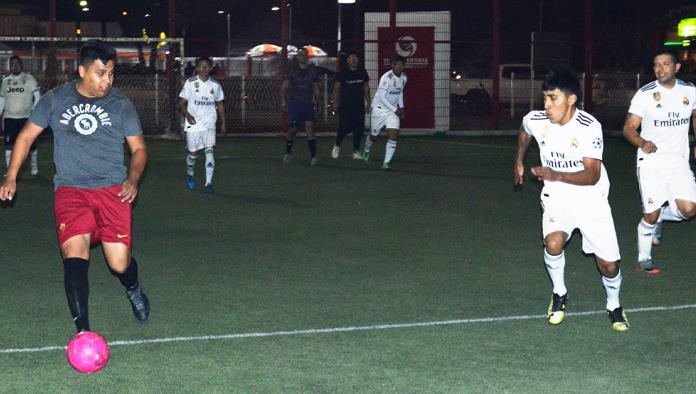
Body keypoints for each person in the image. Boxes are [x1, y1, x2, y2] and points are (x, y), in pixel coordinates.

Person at [0, 40, 150, 333]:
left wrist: (132, 179)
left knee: (118, 264)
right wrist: (11, 175)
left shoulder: (121, 105)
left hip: (112, 190)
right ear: (82, 71)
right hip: (71, 190)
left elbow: (140, 149)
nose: (107, 80)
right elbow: (26, 137)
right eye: (100, 73)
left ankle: (133, 287)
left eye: (110, 73)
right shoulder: (56, 100)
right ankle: (83, 331)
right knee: (74, 257)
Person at [513, 71, 628, 331]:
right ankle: (559, 293)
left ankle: (614, 305)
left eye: (553, 99)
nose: (546, 105)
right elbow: (524, 130)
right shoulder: (537, 119)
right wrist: (518, 160)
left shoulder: (589, 126)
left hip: (591, 199)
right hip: (557, 197)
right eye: (545, 98)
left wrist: (555, 173)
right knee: (553, 243)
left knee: (608, 266)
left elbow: (592, 175)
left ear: (572, 99)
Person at [622, 50, 696, 274]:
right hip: (651, 162)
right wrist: (642, 142)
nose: (660, 68)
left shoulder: (690, 91)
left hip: (679, 162)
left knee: (689, 210)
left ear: (676, 68)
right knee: (649, 215)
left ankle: (662, 217)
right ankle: (644, 259)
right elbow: (628, 128)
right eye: (656, 65)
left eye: (665, 64)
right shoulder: (645, 94)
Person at [178, 57, 226, 194]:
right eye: (200, 66)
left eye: (206, 66)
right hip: (193, 124)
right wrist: (187, 114)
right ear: (196, 68)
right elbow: (181, 102)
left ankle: (208, 183)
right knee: (193, 154)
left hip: (210, 123)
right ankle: (190, 174)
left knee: (209, 151)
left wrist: (223, 123)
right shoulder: (190, 83)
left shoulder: (215, 85)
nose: (203, 68)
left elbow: (220, 104)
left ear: (210, 68)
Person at [362, 55, 407, 170]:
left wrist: (401, 107)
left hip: (392, 112)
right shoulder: (386, 78)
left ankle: (386, 163)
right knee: (374, 136)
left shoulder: (404, 78)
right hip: (379, 110)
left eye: (402, 65)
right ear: (392, 65)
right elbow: (382, 96)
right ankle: (366, 150)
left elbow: (399, 92)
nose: (399, 67)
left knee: (393, 135)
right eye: (397, 65)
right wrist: (395, 109)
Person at [1, 56, 41, 174]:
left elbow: (38, 96)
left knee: (31, 146)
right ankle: (10, 171)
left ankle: (34, 166)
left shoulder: (29, 79)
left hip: (26, 119)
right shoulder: (5, 81)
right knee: (9, 148)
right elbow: (2, 100)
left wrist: (34, 112)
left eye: (17, 64)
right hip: (10, 119)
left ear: (21, 65)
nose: (15, 66)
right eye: (12, 64)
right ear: (9, 66)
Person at [281, 48, 321, 166]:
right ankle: (288, 152)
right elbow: (284, 87)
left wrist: (319, 101)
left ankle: (313, 156)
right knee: (292, 130)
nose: (302, 56)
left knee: (309, 128)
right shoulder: (292, 71)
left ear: (307, 57)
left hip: (308, 104)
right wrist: (283, 102)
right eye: (300, 55)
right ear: (297, 57)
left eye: (304, 55)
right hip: (295, 104)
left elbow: (316, 89)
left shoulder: (312, 71)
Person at [330, 51, 370, 160]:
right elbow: (336, 89)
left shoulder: (362, 72)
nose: (354, 60)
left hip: (359, 105)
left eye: (356, 58)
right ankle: (337, 145)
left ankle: (356, 151)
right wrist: (334, 103)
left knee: (358, 130)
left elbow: (366, 88)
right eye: (352, 58)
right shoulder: (343, 72)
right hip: (346, 105)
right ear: (348, 60)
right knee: (343, 127)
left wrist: (368, 102)